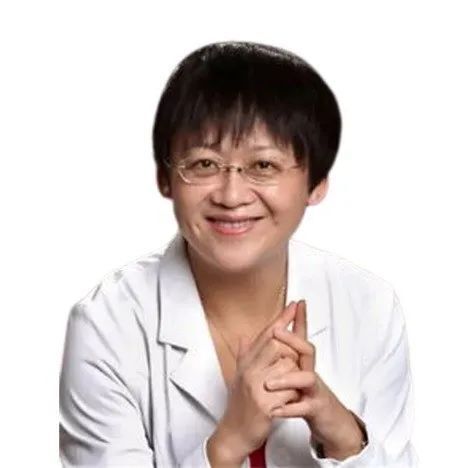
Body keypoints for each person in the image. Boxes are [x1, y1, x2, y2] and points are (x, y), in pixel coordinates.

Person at [59, 41, 417, 467]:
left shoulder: (370, 305)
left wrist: (343, 435)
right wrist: (227, 445)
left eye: (263, 166)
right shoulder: (108, 325)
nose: (231, 196)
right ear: (164, 179)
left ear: (317, 184)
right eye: (204, 164)